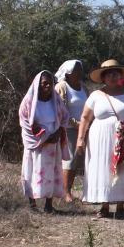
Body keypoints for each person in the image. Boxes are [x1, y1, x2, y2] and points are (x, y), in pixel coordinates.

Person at [75, 60, 124, 218]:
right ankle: (104, 205)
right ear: (103, 77)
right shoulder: (96, 95)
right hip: (99, 138)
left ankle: (121, 205)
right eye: (110, 74)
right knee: (102, 168)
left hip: (123, 137)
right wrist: (80, 139)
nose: (114, 76)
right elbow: (85, 117)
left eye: (116, 73)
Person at [18, 70, 69, 211]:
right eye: (44, 84)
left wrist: (58, 132)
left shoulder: (56, 99)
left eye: (50, 83)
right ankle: (32, 204)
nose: (47, 86)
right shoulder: (28, 101)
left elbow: (65, 117)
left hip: (52, 144)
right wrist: (41, 136)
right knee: (31, 171)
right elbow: (24, 122)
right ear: (37, 85)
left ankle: (48, 205)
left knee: (51, 173)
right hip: (36, 144)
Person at [54, 60, 88, 198]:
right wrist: (76, 124)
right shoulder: (62, 87)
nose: (80, 72)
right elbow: (60, 110)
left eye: (81, 69)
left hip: (84, 129)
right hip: (69, 129)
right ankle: (66, 192)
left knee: (79, 161)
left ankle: (74, 191)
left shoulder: (83, 87)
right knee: (70, 159)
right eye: (77, 70)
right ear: (68, 72)